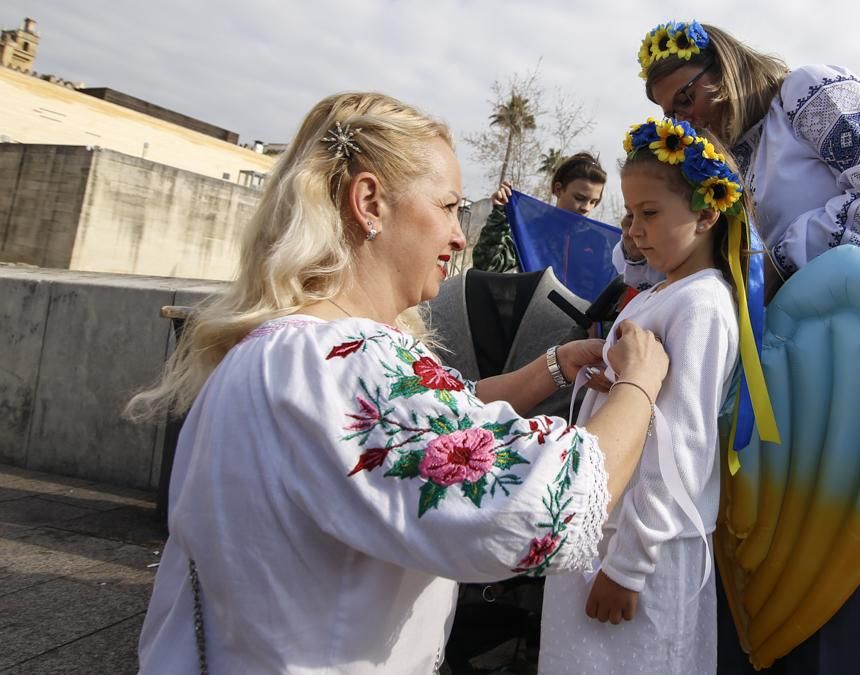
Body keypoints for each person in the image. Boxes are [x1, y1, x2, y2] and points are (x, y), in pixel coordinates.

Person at [124, 93, 672, 674]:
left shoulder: (282, 346)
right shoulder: (347, 359)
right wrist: (638, 385)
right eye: (447, 206)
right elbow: (543, 507)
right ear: (369, 203)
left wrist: (551, 367)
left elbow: (440, 430)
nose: (461, 236)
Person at [623, 20, 860, 674]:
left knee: (853, 543)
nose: (681, 117)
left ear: (727, 69)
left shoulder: (806, 93)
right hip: (781, 355)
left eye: (685, 98)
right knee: (774, 546)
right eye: (665, 111)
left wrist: (776, 261)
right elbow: (654, 258)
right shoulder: (723, 160)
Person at [538, 119, 747, 674]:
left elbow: (683, 443)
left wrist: (628, 566)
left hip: (642, 547)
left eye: (649, 213)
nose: (633, 229)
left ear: (706, 213)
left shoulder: (701, 305)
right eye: (628, 214)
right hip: (606, 526)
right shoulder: (661, 292)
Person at [472, 152, 607, 272]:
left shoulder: (599, 243)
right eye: (579, 198)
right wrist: (499, 215)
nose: (586, 208)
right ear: (559, 189)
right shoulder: (530, 232)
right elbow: (487, 266)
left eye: (593, 202)